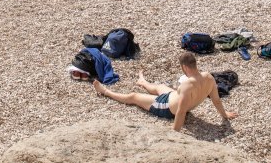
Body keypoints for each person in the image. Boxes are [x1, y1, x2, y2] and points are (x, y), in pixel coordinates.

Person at [92, 53, 237, 131]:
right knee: (160, 87)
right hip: (174, 97)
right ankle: (142, 82)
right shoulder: (209, 78)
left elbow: (180, 112)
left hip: (167, 107)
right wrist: (225, 115)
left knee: (133, 97)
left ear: (185, 67)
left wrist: (174, 134)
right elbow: (216, 100)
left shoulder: (187, 85)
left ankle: (105, 91)